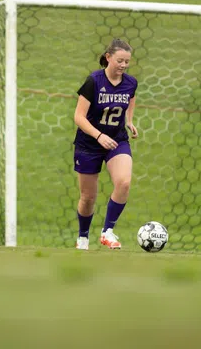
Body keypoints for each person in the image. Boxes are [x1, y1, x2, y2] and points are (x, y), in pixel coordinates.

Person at [72, 39, 138, 250]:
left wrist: (129, 121)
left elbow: (131, 98)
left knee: (124, 182)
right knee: (88, 198)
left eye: (127, 62)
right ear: (108, 58)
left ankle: (107, 231)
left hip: (117, 141)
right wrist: (99, 136)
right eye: (120, 60)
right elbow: (79, 117)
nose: (123, 65)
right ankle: (83, 238)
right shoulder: (94, 81)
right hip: (89, 144)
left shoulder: (131, 82)